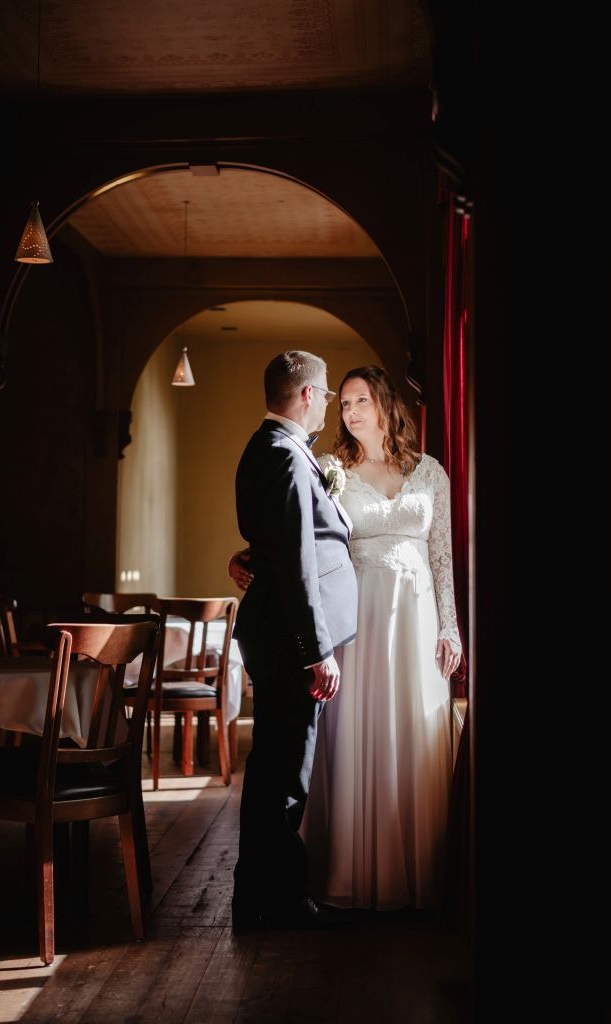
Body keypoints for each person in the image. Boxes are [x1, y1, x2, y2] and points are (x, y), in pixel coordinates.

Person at [230, 364, 463, 912]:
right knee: (353, 740)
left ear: (386, 405)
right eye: (344, 403)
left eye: (360, 400)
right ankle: (346, 871)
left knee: (411, 737)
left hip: (415, 618)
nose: (350, 411)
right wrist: (247, 559)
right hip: (356, 621)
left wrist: (450, 625)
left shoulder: (430, 472)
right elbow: (298, 537)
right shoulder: (330, 466)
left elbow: (442, 557)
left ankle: (414, 876)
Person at [231, 350, 358, 932]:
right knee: (286, 775)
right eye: (327, 393)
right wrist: (319, 651)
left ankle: (256, 893)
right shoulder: (283, 456)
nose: (328, 403)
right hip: (289, 641)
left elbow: (274, 549)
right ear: (306, 395)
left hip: (279, 634)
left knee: (274, 769)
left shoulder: (271, 450)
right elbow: (298, 564)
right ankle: (276, 900)